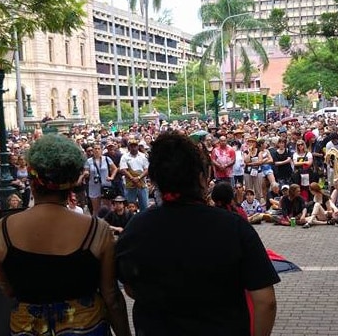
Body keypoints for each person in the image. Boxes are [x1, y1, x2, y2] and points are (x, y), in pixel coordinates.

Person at [116, 132, 279, 335]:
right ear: (202, 178)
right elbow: (266, 301)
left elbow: (130, 288)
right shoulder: (233, 226)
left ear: (154, 179)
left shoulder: (136, 228)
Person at [0, 134, 131, 336]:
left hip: (27, 328)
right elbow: (112, 297)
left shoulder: (2, 229)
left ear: (31, 180)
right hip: (87, 328)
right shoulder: (97, 229)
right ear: (73, 182)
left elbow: (8, 289)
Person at [119, 138, 149, 211]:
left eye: (135, 146)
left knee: (144, 206)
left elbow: (147, 169)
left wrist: (138, 177)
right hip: (130, 185)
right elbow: (123, 169)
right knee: (130, 206)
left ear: (138, 146)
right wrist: (132, 178)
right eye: (131, 146)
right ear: (129, 147)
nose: (133, 147)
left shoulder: (143, 156)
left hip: (142, 184)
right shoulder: (124, 157)